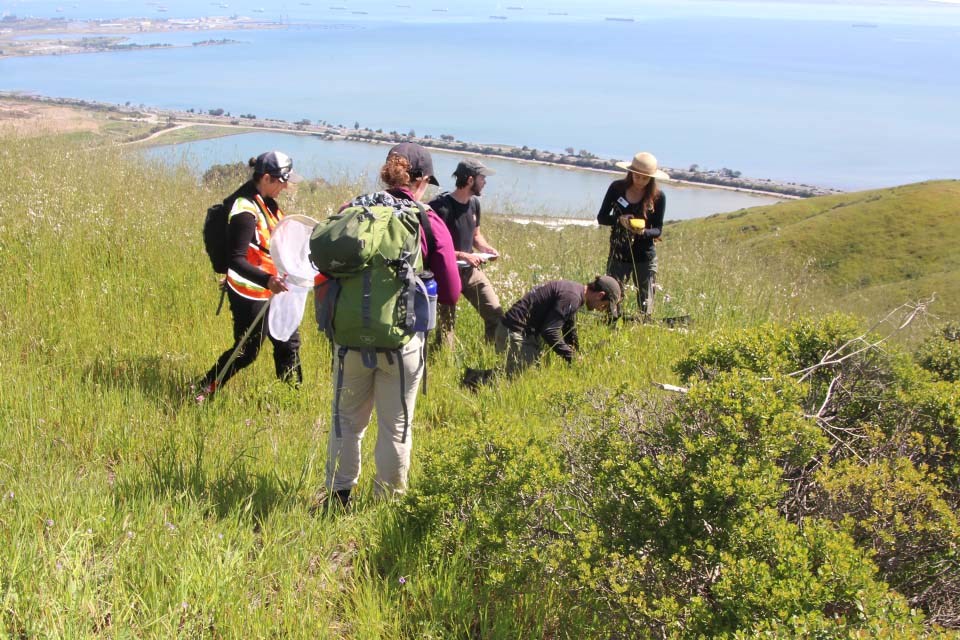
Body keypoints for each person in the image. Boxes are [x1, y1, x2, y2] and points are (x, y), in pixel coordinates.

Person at [324, 142, 460, 506]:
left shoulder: (352, 208)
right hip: (402, 343)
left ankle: (338, 497)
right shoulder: (426, 219)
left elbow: (323, 264)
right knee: (395, 427)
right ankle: (386, 504)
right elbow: (451, 292)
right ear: (423, 179)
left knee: (345, 421)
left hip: (349, 338)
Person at [194, 151, 304, 403]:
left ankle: (291, 400)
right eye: (282, 180)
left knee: (288, 342)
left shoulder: (269, 202)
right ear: (266, 178)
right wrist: (267, 281)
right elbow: (236, 260)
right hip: (250, 292)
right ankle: (201, 391)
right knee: (246, 352)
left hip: (276, 289)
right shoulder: (244, 209)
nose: (286, 186)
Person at [428, 158, 503, 348]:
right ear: (470, 180)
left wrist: (486, 249)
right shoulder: (439, 207)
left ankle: (488, 355)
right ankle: (443, 363)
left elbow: (476, 235)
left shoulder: (474, 204)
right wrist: (463, 255)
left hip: (470, 271)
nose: (485, 182)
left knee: (495, 313)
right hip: (446, 273)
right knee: (446, 330)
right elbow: (433, 248)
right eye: (482, 178)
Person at [494, 276, 622, 377]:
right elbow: (549, 331)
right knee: (523, 379)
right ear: (600, 295)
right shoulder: (572, 297)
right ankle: (475, 380)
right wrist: (572, 358)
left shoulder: (575, 291)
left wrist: (576, 354)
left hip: (517, 331)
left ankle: (479, 380)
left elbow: (569, 328)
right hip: (513, 332)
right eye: (604, 306)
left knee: (527, 374)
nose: (600, 310)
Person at [596, 151, 668, 318]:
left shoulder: (658, 197)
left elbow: (658, 230)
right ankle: (612, 326)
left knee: (645, 302)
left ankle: (642, 325)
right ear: (630, 173)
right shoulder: (617, 188)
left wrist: (643, 232)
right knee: (613, 298)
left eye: (645, 178)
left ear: (651, 178)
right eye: (637, 176)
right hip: (619, 253)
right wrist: (619, 220)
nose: (640, 181)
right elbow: (602, 218)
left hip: (645, 256)